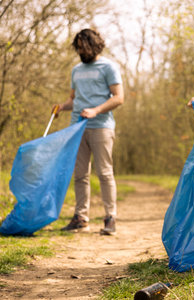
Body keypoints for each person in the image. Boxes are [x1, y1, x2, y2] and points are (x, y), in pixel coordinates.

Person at [54, 28, 124, 235]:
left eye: (84, 48)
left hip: (101, 126)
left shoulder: (109, 67)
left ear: (95, 46)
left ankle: (110, 218)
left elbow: (119, 97)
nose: (81, 52)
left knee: (104, 173)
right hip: (76, 127)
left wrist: (96, 110)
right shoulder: (76, 70)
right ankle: (80, 217)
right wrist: (60, 107)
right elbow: (73, 99)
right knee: (80, 175)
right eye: (78, 49)